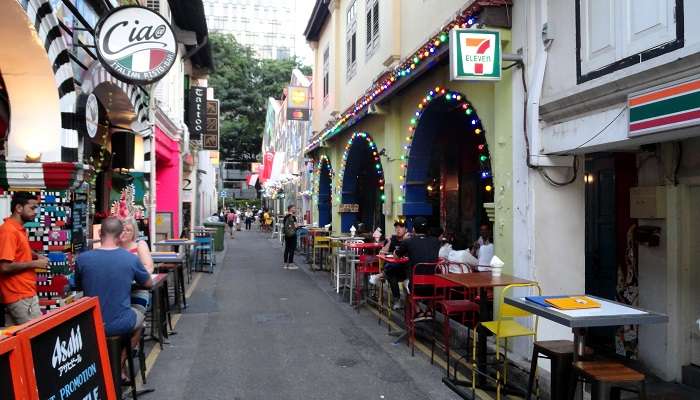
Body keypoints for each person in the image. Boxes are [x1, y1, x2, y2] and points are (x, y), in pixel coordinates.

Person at [76, 217, 152, 379]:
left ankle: (99, 368)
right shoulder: (130, 259)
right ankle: (118, 364)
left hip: (90, 324)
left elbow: (76, 285)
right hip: (120, 323)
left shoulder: (82, 259)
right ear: (119, 235)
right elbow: (148, 283)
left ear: (100, 232)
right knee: (140, 321)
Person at [0, 192, 49, 325]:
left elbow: (19, 250)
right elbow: (4, 267)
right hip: (20, 295)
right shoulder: (9, 231)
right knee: (36, 335)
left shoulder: (17, 229)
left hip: (22, 294)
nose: (35, 212)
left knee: (17, 340)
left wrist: (35, 255)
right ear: (19, 208)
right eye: (32, 208)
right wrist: (35, 263)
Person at [371, 221, 409, 310]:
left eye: (401, 227)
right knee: (392, 274)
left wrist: (405, 241)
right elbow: (382, 253)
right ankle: (397, 300)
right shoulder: (393, 239)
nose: (398, 229)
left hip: (406, 270)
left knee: (391, 269)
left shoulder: (409, 240)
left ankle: (380, 275)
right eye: (396, 227)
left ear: (406, 230)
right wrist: (389, 242)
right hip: (394, 271)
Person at [120, 217, 154, 314]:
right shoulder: (113, 247)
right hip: (118, 293)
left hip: (137, 291)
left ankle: (138, 326)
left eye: (128, 230)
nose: (125, 232)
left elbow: (149, 268)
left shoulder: (140, 245)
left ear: (134, 233)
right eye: (122, 229)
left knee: (134, 314)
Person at [282, 205, 298, 270]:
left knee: (287, 248)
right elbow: (295, 226)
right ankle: (291, 264)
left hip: (286, 234)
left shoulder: (285, 217)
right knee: (292, 249)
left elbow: (284, 226)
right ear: (290, 209)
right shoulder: (293, 217)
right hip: (292, 234)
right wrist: (298, 225)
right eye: (294, 208)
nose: (295, 209)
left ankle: (285, 264)